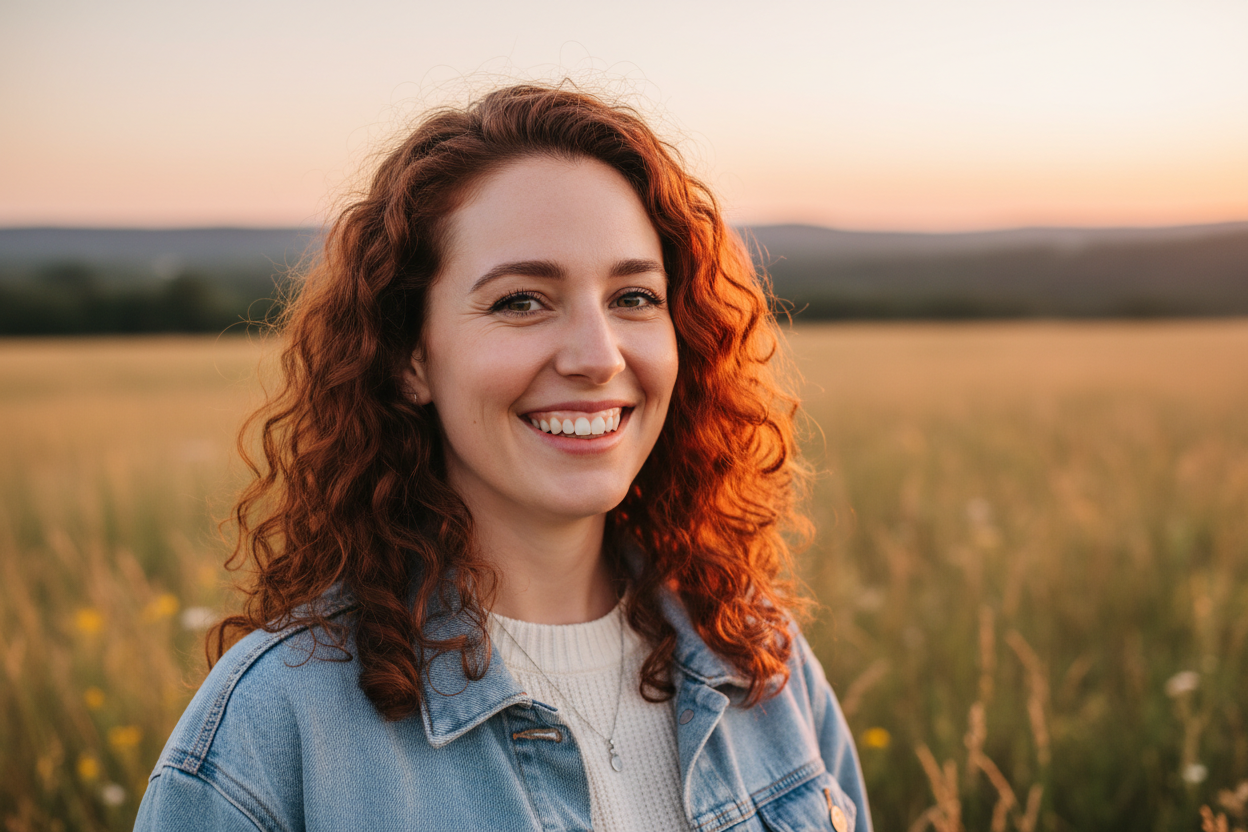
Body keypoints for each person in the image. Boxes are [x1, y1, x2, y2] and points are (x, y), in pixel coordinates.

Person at [135, 82, 871, 832]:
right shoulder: (273, 729)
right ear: (411, 358)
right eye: (521, 300)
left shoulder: (759, 660)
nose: (597, 356)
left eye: (635, 297)